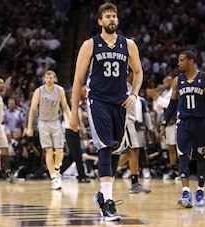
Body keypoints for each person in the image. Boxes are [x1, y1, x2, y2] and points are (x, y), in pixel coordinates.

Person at [69, 3, 143, 221]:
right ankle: (108, 202)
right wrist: (74, 111)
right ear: (100, 21)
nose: (112, 19)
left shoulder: (128, 45)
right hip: (98, 101)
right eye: (107, 16)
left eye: (114, 16)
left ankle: (102, 195)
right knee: (105, 146)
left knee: (116, 151)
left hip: (120, 102)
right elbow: (78, 79)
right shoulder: (90, 45)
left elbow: (138, 72)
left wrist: (135, 94)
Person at [160, 50, 205, 208]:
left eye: (181, 60)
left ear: (191, 61)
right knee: (183, 156)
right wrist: (164, 124)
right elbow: (172, 105)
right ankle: (186, 191)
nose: (178, 63)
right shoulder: (177, 81)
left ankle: (200, 191)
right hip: (183, 122)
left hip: (200, 122)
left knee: (200, 157)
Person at [26, 70, 71, 190]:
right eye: (47, 77)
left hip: (56, 122)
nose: (49, 80)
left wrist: (71, 120)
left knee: (60, 151)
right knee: (49, 151)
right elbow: (33, 109)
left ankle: (57, 168)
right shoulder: (39, 91)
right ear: (44, 79)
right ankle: (54, 178)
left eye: (51, 77)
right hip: (43, 123)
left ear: (55, 78)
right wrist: (29, 126)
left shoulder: (60, 90)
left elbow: (65, 106)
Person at [118, 72, 151, 193]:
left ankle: (107, 168)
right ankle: (134, 183)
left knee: (133, 151)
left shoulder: (131, 87)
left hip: (131, 122)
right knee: (132, 150)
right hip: (125, 121)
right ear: (130, 74)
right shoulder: (123, 86)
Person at [147, 76, 179, 180]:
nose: (165, 84)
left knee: (177, 147)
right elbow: (158, 108)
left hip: (175, 121)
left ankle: (180, 169)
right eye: (164, 83)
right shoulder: (165, 93)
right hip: (168, 122)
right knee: (170, 147)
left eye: (166, 82)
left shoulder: (174, 92)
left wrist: (157, 96)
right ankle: (173, 169)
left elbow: (169, 105)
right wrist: (155, 97)